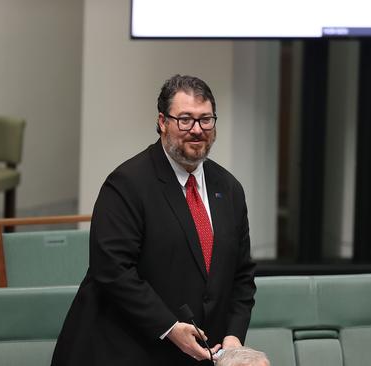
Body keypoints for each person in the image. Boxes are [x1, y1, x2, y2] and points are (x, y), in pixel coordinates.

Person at [51, 74, 256, 366]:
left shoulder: (229, 188)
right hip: (125, 348)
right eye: (185, 119)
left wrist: (234, 337)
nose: (197, 130)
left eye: (205, 119)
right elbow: (112, 270)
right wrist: (169, 327)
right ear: (162, 122)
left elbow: (242, 275)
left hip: (199, 354)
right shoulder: (127, 183)